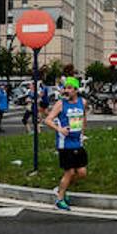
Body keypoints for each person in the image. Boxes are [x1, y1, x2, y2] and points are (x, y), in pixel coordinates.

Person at [45, 76, 88, 210]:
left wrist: (82, 133)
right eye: (65, 88)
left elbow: (84, 118)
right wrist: (60, 129)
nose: (66, 91)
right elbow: (48, 120)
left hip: (77, 142)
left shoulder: (83, 102)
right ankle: (59, 199)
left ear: (76, 90)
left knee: (82, 172)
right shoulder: (61, 104)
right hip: (65, 144)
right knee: (69, 172)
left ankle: (62, 188)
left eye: (69, 88)